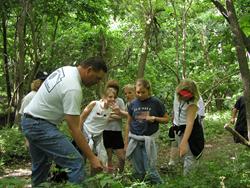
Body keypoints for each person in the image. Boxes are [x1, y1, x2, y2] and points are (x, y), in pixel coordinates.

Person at [21, 57, 107, 186]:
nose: (98, 82)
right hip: (40, 126)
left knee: (41, 166)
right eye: (98, 78)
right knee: (76, 163)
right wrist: (92, 157)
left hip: (29, 121)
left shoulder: (66, 70)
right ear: (89, 70)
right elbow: (74, 128)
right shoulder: (73, 88)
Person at [125, 79, 168, 184]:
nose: (140, 94)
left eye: (143, 92)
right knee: (138, 170)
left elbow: (166, 119)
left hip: (149, 139)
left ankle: (161, 184)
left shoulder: (156, 102)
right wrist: (126, 141)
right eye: (138, 92)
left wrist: (154, 118)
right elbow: (128, 123)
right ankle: (144, 185)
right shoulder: (132, 104)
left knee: (150, 169)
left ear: (148, 90)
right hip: (135, 139)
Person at [79, 87, 121, 174]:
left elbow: (121, 116)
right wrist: (78, 134)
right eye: (110, 97)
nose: (112, 99)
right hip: (86, 133)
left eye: (114, 97)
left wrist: (118, 111)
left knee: (99, 160)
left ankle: (94, 180)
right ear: (104, 97)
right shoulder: (94, 104)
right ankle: (79, 180)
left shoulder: (110, 110)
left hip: (98, 137)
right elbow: (82, 117)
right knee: (82, 158)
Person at [172, 79, 204, 175]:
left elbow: (190, 123)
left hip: (191, 132)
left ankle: (189, 180)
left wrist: (184, 142)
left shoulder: (193, 103)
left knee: (190, 156)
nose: (185, 97)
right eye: (182, 95)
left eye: (187, 96)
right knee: (183, 154)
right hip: (178, 128)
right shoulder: (177, 95)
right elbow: (176, 111)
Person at [103, 80, 127, 173]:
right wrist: (114, 115)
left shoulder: (119, 101)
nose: (113, 90)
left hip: (117, 131)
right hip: (105, 131)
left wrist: (111, 115)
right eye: (110, 88)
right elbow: (103, 117)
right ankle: (109, 175)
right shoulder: (104, 101)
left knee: (121, 157)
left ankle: (120, 174)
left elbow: (123, 115)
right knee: (108, 156)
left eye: (115, 89)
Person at [19, 71, 48, 147]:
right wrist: (26, 137)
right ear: (36, 82)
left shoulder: (45, 96)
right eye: (42, 81)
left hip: (45, 131)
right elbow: (23, 116)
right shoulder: (29, 97)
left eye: (46, 81)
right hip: (33, 131)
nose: (44, 83)